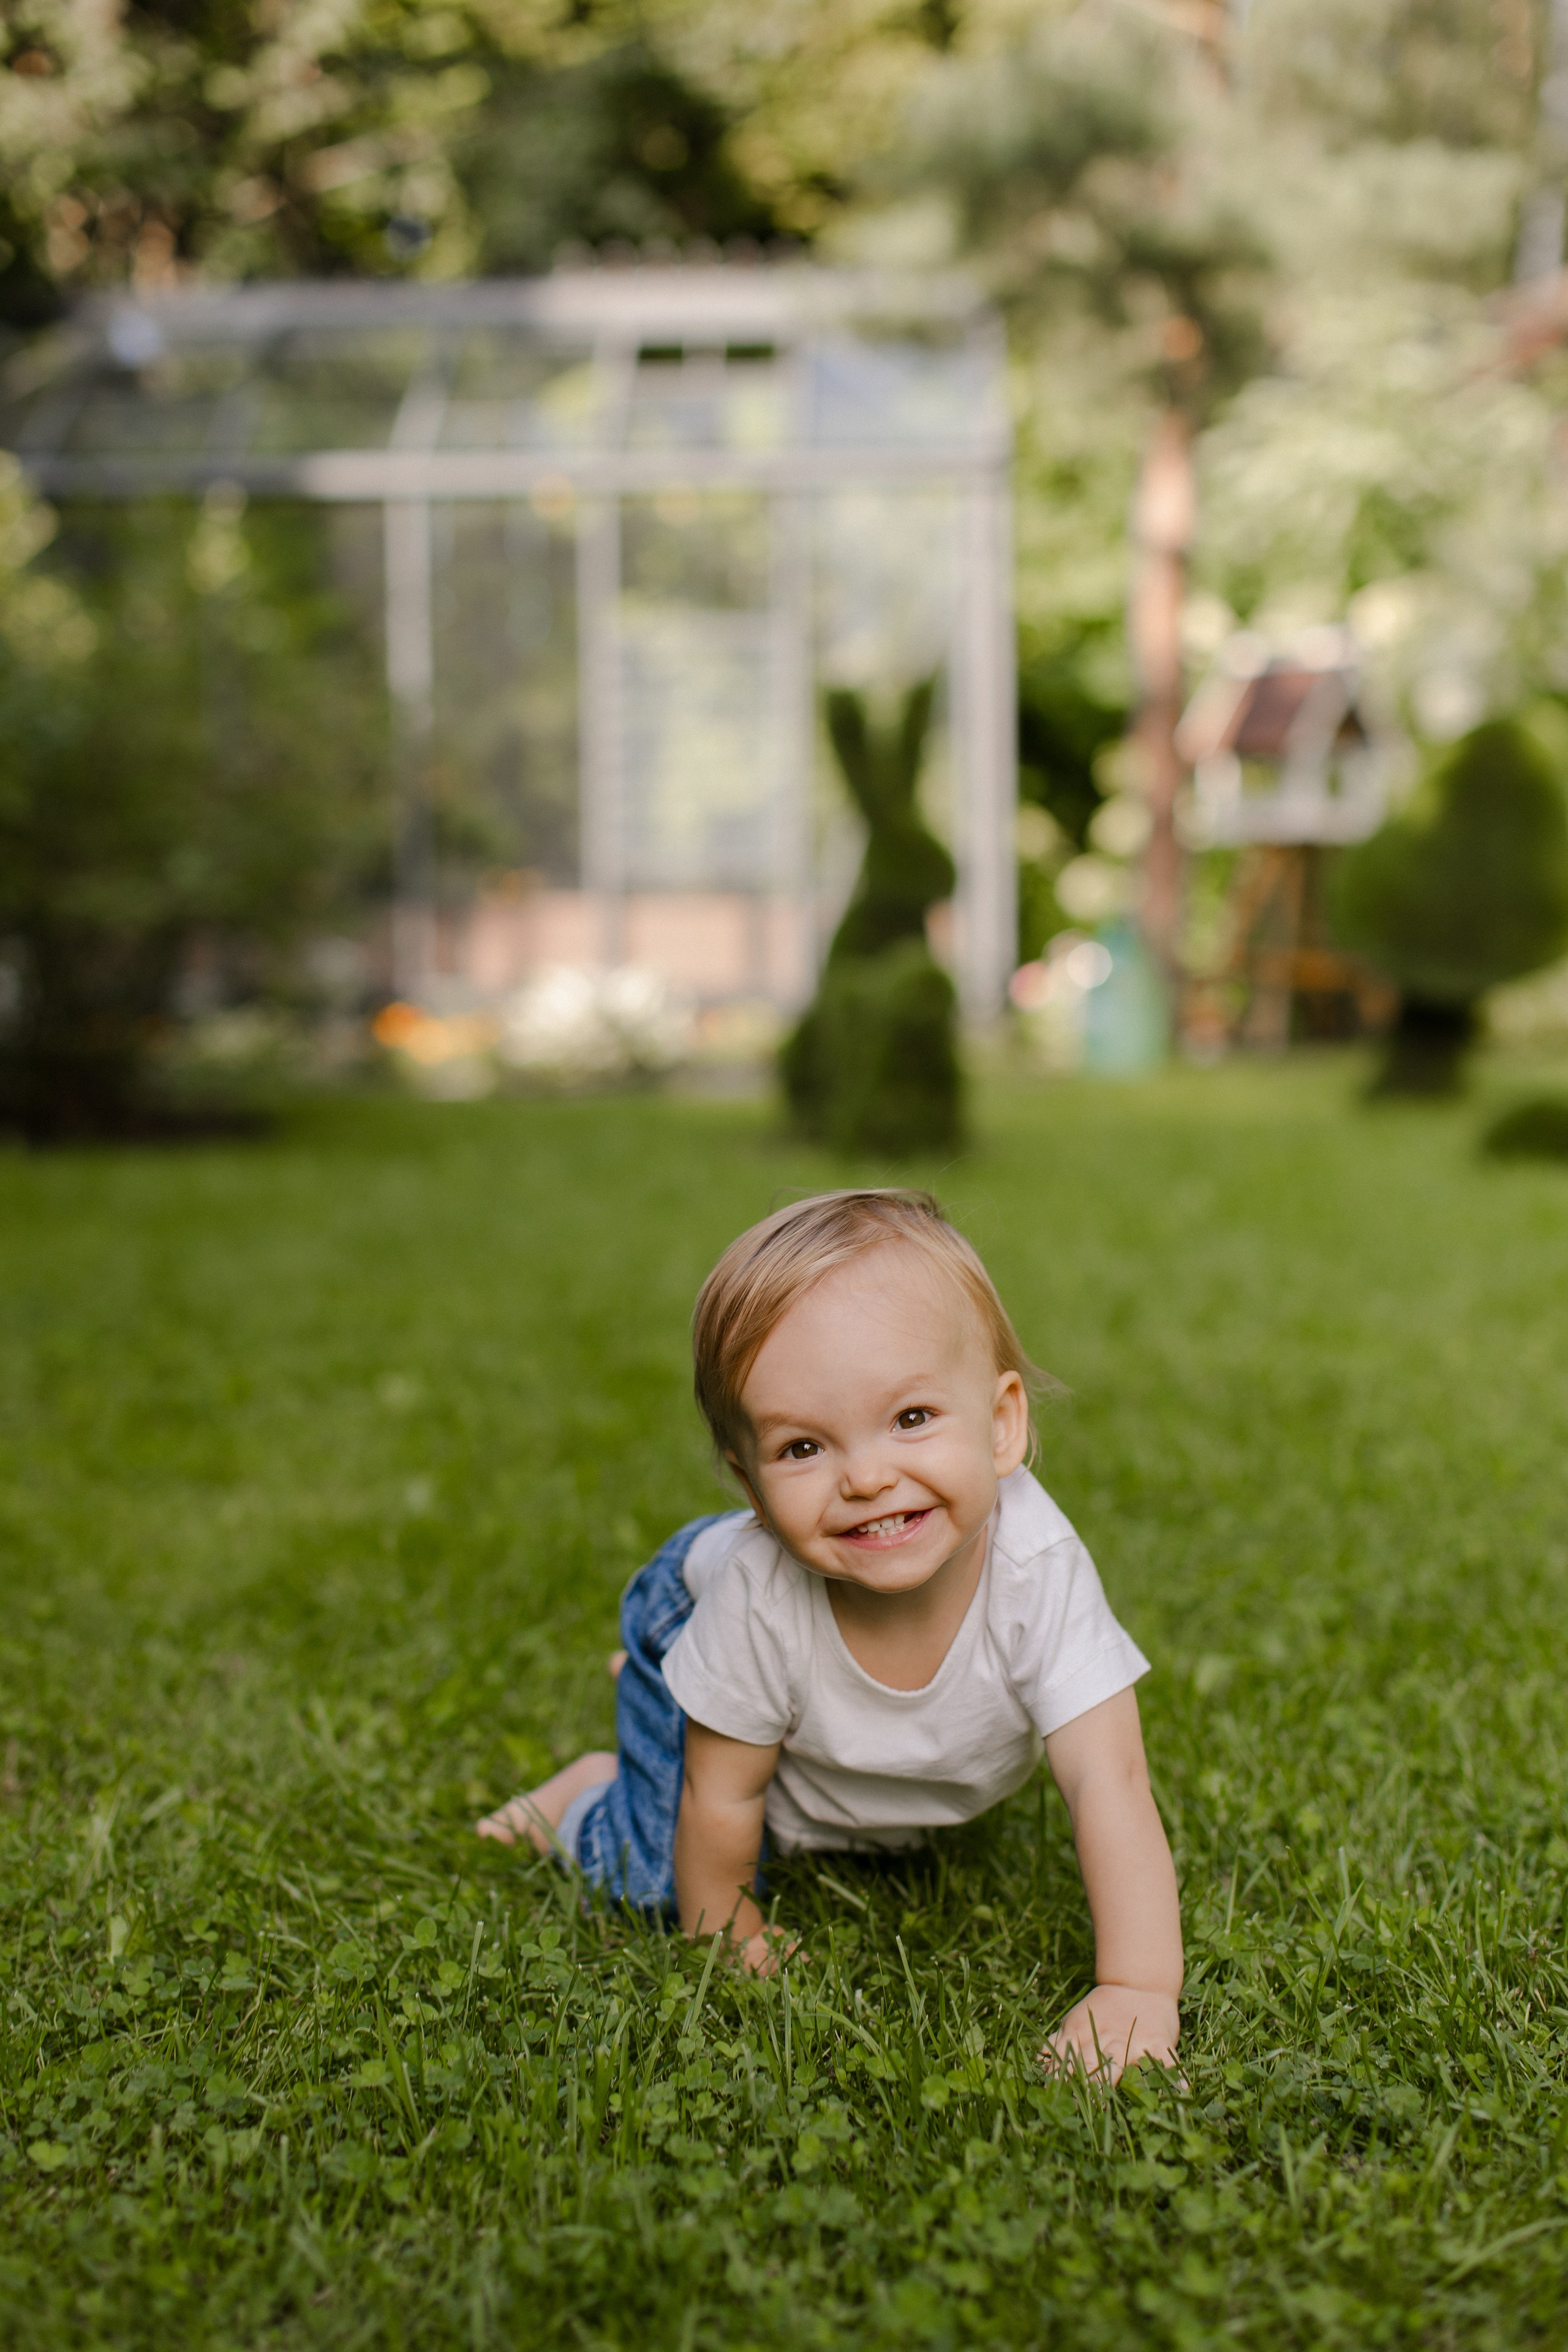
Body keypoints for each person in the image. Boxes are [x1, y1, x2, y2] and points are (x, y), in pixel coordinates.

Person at [478, 1188, 1182, 2080]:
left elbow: (1108, 1779)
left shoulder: (1037, 1570)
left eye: (912, 1418)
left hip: (773, 1666)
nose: (867, 1478)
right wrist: (733, 1938)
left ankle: (681, 1700)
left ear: (1003, 1424)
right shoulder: (761, 1595)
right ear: (751, 1481)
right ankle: (598, 1777)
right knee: (664, 1878)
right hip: (695, 1616)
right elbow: (725, 1802)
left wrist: (1137, 1986)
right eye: (804, 1448)